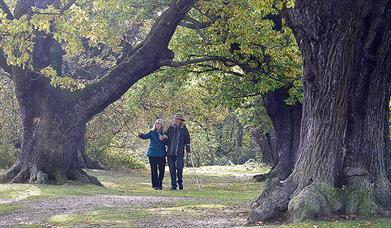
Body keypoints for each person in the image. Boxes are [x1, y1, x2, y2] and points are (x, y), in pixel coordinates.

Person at [163, 113, 191, 190]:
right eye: (175, 119)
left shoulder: (184, 129)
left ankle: (180, 182)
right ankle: (173, 185)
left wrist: (188, 152)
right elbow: (165, 138)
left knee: (179, 168)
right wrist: (164, 137)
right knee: (172, 170)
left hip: (180, 153)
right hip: (170, 153)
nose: (176, 120)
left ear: (180, 121)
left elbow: (188, 141)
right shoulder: (170, 128)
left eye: (177, 119)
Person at [138, 119, 166, 190]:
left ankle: (160, 184)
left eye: (159, 124)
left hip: (161, 153)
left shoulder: (164, 133)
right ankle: (155, 185)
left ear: (162, 125)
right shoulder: (151, 132)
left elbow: (168, 142)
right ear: (155, 124)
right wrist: (140, 135)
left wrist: (165, 138)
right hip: (152, 153)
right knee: (154, 170)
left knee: (162, 170)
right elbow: (145, 136)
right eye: (156, 123)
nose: (157, 125)